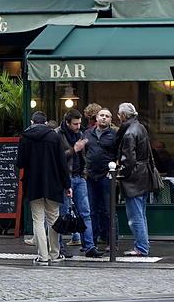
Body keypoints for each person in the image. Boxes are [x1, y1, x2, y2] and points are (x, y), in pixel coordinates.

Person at [17, 111, 71, 265]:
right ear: (46, 123)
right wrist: (67, 185)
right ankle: (55, 254)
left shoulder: (25, 138)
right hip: (53, 184)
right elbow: (62, 164)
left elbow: (20, 163)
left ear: (32, 122)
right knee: (53, 219)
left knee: (38, 220)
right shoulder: (54, 137)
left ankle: (43, 256)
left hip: (33, 184)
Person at [56, 109, 101, 257]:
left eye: (80, 123)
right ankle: (59, 247)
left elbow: (85, 156)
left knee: (85, 213)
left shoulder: (80, 134)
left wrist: (84, 174)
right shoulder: (57, 135)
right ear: (67, 122)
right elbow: (56, 158)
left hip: (79, 178)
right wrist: (74, 149)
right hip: (65, 179)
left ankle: (89, 246)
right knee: (62, 214)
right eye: (75, 124)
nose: (78, 126)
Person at [116, 102, 153, 257]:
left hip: (134, 179)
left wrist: (120, 174)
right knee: (141, 213)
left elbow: (129, 160)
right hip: (143, 175)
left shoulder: (129, 132)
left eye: (119, 114)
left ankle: (141, 247)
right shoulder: (140, 127)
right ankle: (143, 245)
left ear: (124, 116)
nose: (118, 117)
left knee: (135, 215)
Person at [84, 107, 118, 250]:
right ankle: (92, 242)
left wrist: (114, 170)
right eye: (101, 115)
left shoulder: (114, 135)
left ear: (110, 120)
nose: (104, 118)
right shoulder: (87, 133)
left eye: (107, 116)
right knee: (92, 210)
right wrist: (85, 170)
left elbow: (119, 154)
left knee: (108, 210)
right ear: (96, 118)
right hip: (91, 176)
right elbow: (84, 152)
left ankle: (112, 242)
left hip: (106, 176)